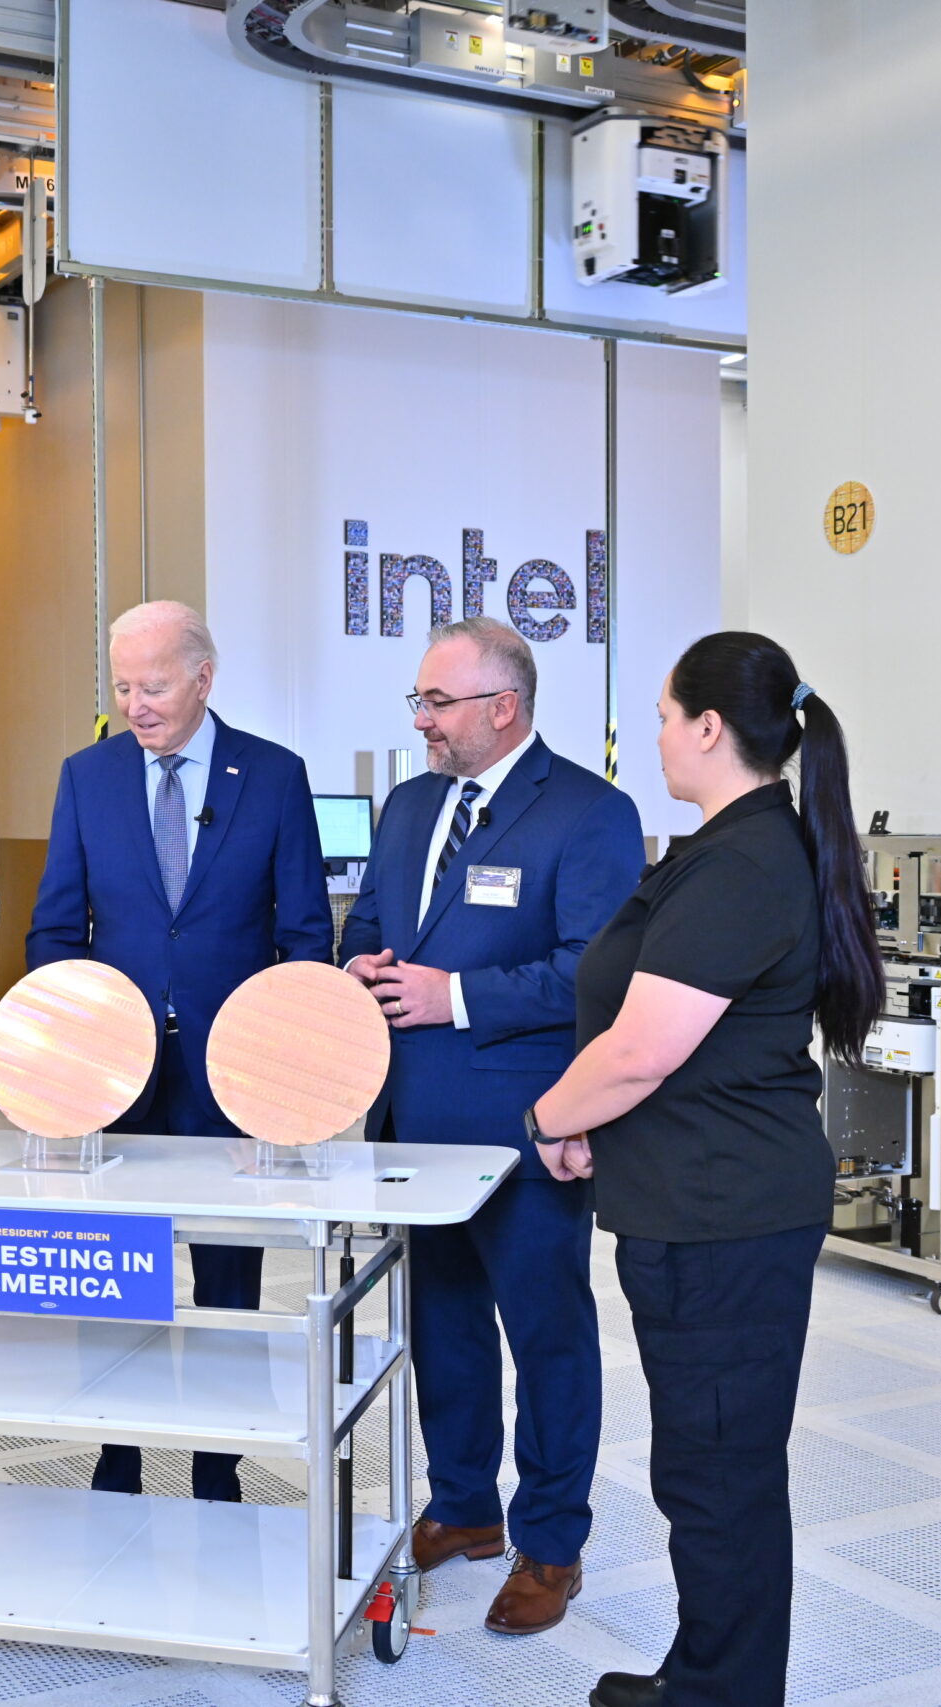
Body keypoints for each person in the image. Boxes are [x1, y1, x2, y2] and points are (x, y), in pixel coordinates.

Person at [527, 634, 880, 1707]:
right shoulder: (732, 845)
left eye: (666, 716)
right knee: (709, 1469)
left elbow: (643, 1048)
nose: (658, 737)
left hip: (723, 1217)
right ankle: (707, 1672)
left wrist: (550, 1116)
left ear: (711, 729)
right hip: (703, 1200)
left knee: (718, 1478)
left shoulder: (744, 862)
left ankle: (724, 1696)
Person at [337, 616, 642, 1636]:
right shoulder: (411, 805)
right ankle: (463, 1506)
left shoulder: (589, 814)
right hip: (412, 1120)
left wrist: (451, 995)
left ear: (502, 707)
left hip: (526, 1127)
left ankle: (549, 1543)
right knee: (445, 1327)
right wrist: (361, 969)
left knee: (547, 1333)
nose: (421, 719)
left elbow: (592, 972)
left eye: (437, 702)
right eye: (418, 701)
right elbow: (371, 926)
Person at [29, 600, 330, 1503]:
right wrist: (78, 1050)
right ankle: (117, 1450)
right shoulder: (88, 776)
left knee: (227, 1275)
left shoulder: (273, 777)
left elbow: (305, 936)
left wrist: (280, 1072)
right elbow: (54, 933)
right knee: (117, 1267)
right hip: (114, 1075)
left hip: (231, 1072)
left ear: (204, 677)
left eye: (153, 684)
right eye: (122, 684)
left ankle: (218, 1462)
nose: (136, 702)